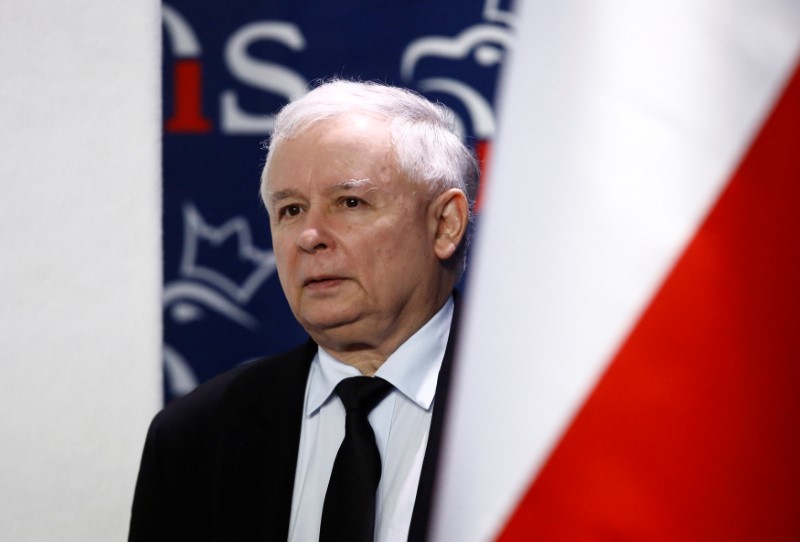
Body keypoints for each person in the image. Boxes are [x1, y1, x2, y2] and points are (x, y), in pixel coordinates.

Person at [128, 79, 479, 542]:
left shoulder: (540, 415)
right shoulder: (196, 436)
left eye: (349, 202)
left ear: (444, 224)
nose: (309, 236)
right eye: (291, 210)